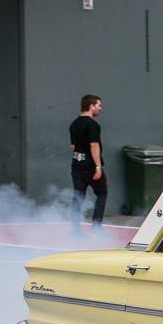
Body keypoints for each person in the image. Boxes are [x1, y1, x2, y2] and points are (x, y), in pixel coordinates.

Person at [68, 94, 107, 237]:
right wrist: (98, 167)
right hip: (90, 166)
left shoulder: (74, 124)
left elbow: (73, 146)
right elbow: (94, 145)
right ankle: (96, 227)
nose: (100, 108)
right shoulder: (93, 125)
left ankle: (75, 230)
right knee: (102, 193)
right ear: (91, 106)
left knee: (78, 197)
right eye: (98, 105)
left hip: (77, 165)